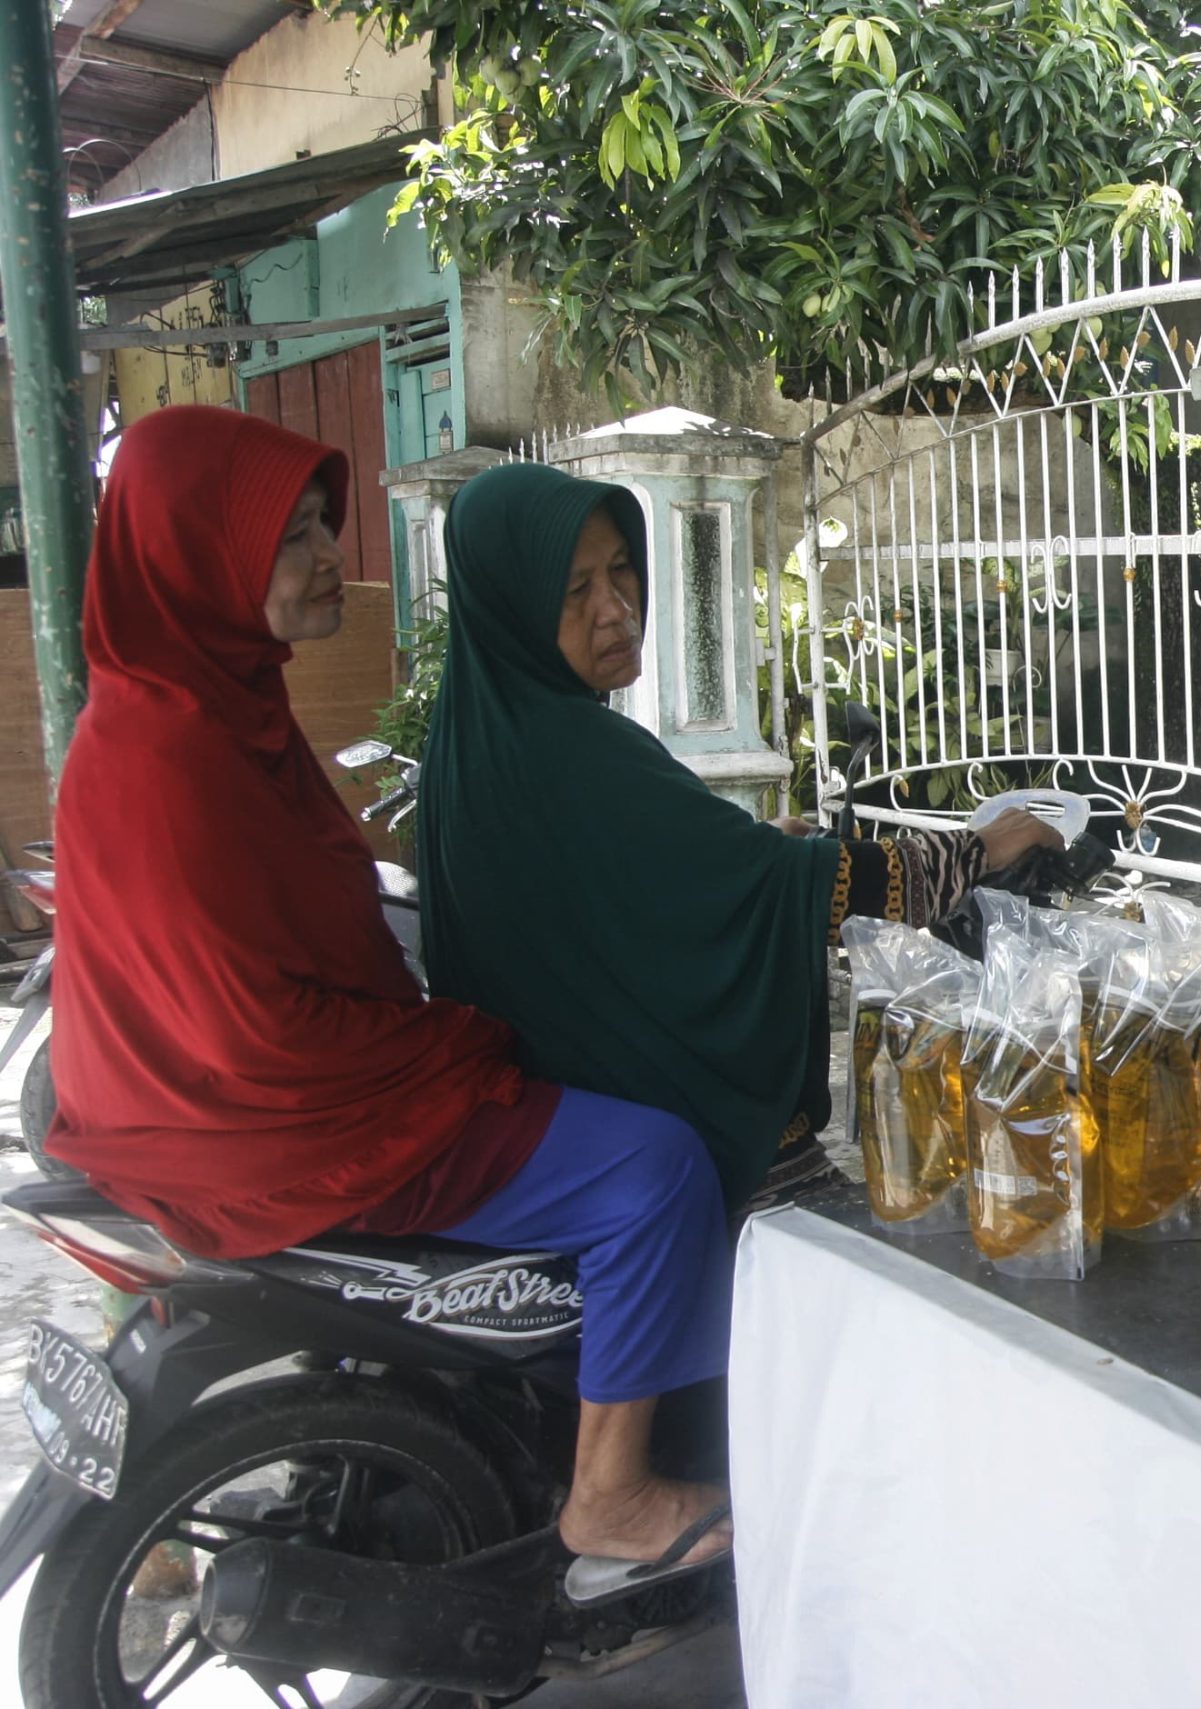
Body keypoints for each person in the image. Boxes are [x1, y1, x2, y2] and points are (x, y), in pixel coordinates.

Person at [44, 407, 735, 1582]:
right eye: (293, 538)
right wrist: (450, 1045)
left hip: (186, 1110)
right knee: (654, 1168)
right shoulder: (176, 758)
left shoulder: (196, 706)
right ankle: (609, 1492)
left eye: (325, 525)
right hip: (276, 1121)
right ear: (195, 556)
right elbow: (246, 1021)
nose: (333, 560)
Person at [415, 462, 1059, 1209]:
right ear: (513, 604)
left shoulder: (474, 737)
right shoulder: (566, 748)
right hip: (662, 1142)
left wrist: (753, 851)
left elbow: (641, 879)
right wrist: (974, 851)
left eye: (622, 568)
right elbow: (772, 885)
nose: (617, 608)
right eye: (574, 591)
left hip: (558, 1128)